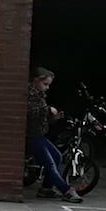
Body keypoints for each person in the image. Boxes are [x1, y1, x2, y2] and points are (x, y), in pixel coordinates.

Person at [26, 68, 82, 203]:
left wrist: (53, 116)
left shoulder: (39, 95)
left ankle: (46, 188)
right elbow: (30, 110)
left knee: (57, 156)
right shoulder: (30, 94)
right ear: (36, 81)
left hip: (39, 133)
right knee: (49, 163)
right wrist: (48, 110)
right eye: (45, 84)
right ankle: (66, 189)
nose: (47, 88)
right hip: (31, 134)